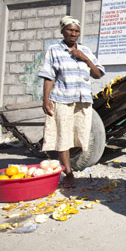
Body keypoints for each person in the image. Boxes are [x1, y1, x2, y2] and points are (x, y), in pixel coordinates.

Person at [38, 16, 105, 188]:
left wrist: (84, 57)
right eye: (69, 30)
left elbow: (97, 74)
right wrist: (46, 99)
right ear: (62, 31)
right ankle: (68, 174)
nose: (73, 33)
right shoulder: (54, 50)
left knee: (79, 135)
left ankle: (69, 167)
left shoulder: (85, 51)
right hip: (61, 99)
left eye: (76, 31)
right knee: (63, 137)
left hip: (82, 101)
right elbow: (48, 77)